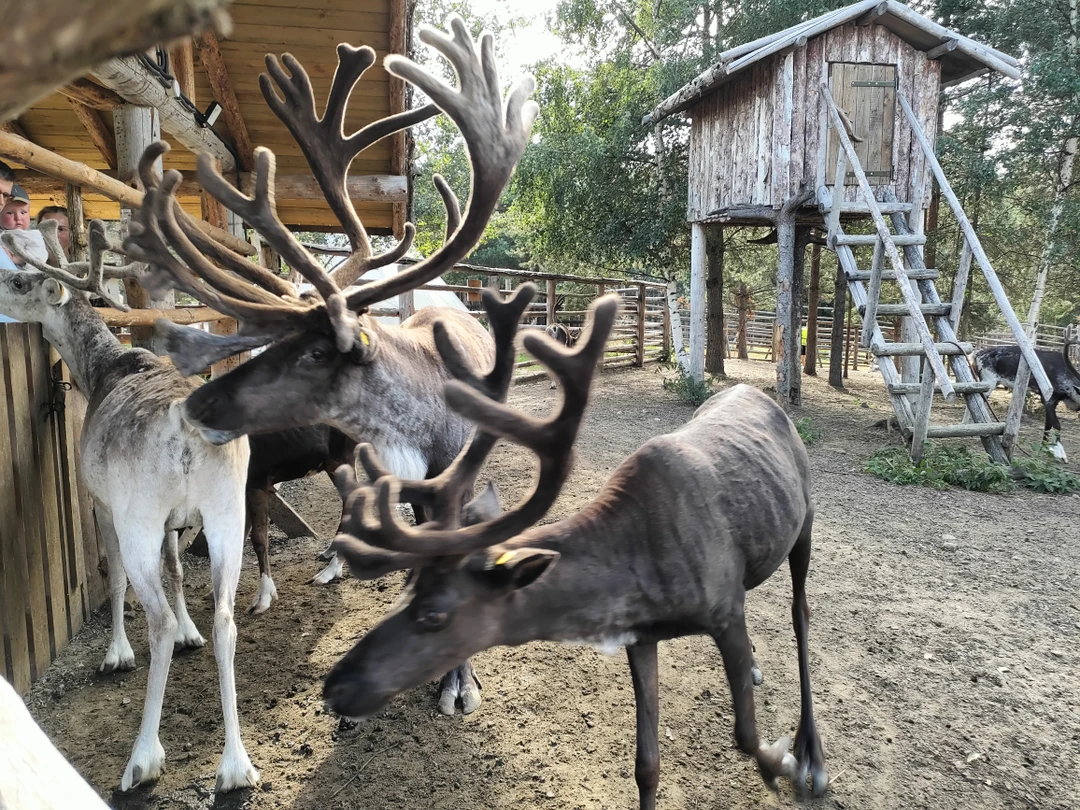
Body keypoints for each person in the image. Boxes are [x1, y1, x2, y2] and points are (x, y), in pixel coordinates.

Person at [1, 184, 48, 266]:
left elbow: (39, 256)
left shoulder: (32, 236)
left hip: (22, 275)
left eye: (23, 212)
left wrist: (17, 259)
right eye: (10, 213)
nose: (18, 217)